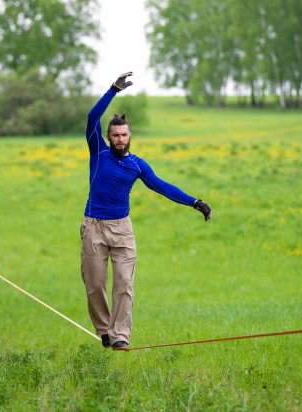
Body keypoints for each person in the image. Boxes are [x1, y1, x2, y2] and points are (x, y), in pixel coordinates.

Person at [80, 72, 212, 351]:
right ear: (108, 136)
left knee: (125, 283)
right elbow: (92, 118)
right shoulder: (98, 153)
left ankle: (120, 335)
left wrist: (194, 202)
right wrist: (112, 90)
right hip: (93, 226)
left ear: (130, 136)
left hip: (121, 229)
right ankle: (104, 330)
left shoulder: (137, 165)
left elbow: (162, 187)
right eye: (115, 135)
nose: (119, 139)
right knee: (94, 284)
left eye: (124, 135)